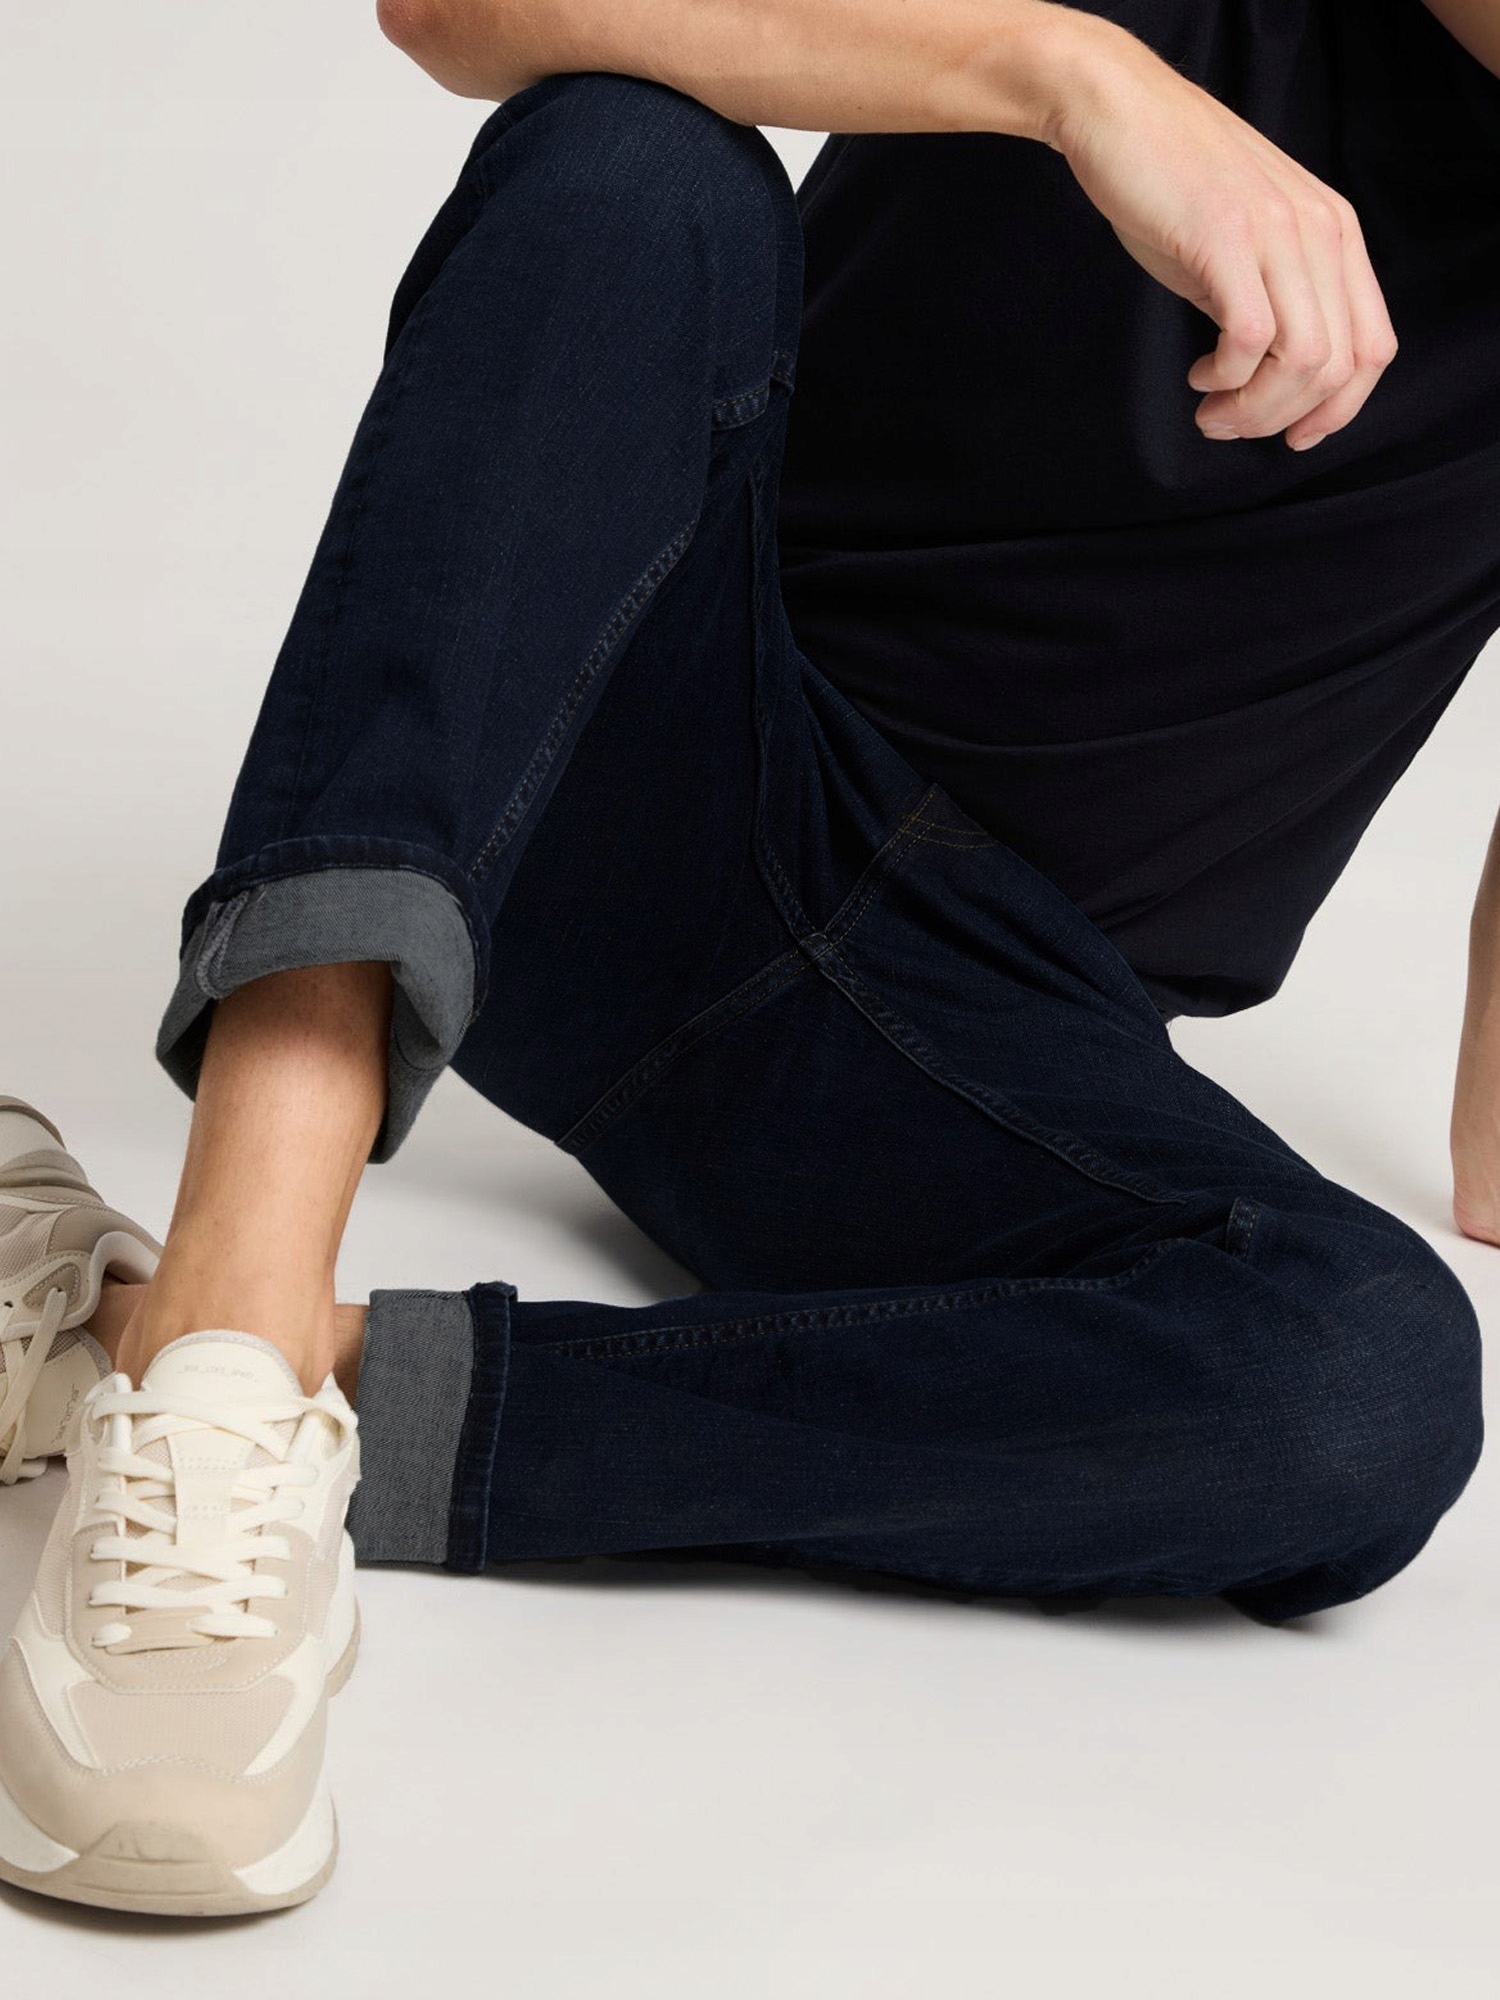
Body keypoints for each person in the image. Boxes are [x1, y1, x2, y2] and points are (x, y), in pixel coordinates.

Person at [0, 0, 1495, 1919]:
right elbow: (458, 8)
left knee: (1357, 1381)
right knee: (632, 161)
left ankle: (178, 1376)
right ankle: (233, 1298)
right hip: (637, 776)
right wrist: (1078, 81)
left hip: (949, 1051)